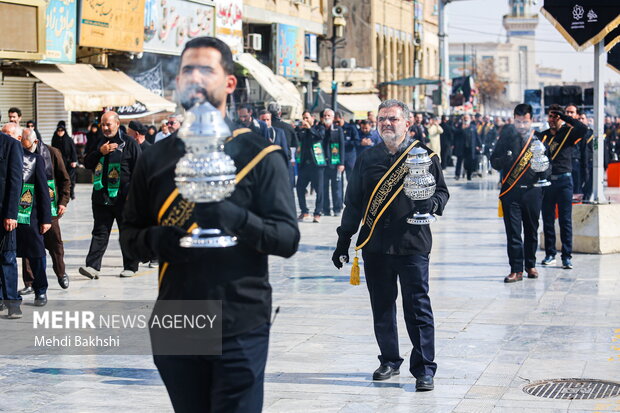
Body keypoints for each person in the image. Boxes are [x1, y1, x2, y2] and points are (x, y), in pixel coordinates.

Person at [120, 36, 299, 413]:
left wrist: (233, 218)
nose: (195, 77)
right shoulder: (155, 158)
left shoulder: (260, 155)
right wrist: (160, 241)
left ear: (229, 83)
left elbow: (286, 239)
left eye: (206, 69)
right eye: (187, 70)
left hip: (240, 318)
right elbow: (130, 238)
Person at [331, 99, 449, 390]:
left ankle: (424, 369)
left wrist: (430, 204)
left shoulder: (424, 156)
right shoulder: (367, 158)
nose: (386, 123)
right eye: (382, 119)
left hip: (413, 243)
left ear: (407, 123)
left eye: (393, 119)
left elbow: (443, 193)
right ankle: (389, 360)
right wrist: (343, 239)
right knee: (382, 306)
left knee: (417, 307)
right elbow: (354, 203)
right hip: (376, 244)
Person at [79, 111, 141, 279]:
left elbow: (140, 171)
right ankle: (92, 267)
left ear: (117, 124)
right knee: (100, 232)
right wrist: (100, 152)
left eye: (108, 124)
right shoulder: (98, 142)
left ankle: (131, 266)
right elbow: (87, 163)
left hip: (123, 198)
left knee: (126, 232)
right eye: (103, 125)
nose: (105, 128)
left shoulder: (129, 143)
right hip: (101, 197)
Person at [491, 104, 548, 283]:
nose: (521, 125)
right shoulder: (507, 138)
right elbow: (493, 161)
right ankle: (516, 269)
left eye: (525, 122)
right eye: (518, 121)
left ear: (531, 120)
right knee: (513, 233)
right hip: (511, 192)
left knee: (531, 231)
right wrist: (504, 160)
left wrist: (543, 170)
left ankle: (530, 265)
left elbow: (548, 163)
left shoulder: (538, 139)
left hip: (532, 191)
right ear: (514, 119)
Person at [3, 124, 51, 306]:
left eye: (8, 134)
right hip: (6, 216)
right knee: (7, 257)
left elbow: (43, 191)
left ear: (18, 138)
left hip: (29, 215)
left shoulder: (34, 159)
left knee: (36, 255)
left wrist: (46, 218)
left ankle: (41, 289)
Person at [19, 126, 71, 294]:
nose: (24, 150)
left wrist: (63, 201)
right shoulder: (19, 155)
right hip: (27, 208)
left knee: (55, 244)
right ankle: (29, 282)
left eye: (27, 147)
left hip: (50, 206)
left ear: (35, 141)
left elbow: (64, 180)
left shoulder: (52, 153)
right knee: (28, 246)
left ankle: (61, 273)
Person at [538, 104, 587, 269]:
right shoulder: (543, 136)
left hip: (565, 181)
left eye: (555, 117)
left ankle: (566, 256)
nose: (552, 120)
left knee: (565, 220)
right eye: (550, 117)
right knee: (548, 219)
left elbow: (582, 128)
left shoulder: (568, 133)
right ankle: (550, 253)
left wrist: (564, 117)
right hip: (548, 182)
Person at [0, 121, 24, 318]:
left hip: (3, 214)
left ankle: (13, 304)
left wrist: (11, 214)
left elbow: (16, 181)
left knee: (7, 257)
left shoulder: (10, 145)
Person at [296, 111, 326, 222]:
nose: (305, 120)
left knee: (319, 190)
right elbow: (297, 138)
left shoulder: (319, 128)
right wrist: (300, 129)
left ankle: (317, 213)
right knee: (299, 188)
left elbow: (320, 137)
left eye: (307, 118)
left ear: (312, 118)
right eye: (303, 118)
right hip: (304, 164)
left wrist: (310, 128)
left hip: (317, 164)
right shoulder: (301, 130)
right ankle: (304, 211)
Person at [318, 108, 345, 217]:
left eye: (329, 115)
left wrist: (342, 163)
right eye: (325, 115)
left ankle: (337, 208)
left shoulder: (338, 130)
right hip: (322, 163)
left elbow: (342, 146)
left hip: (335, 163)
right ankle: (326, 209)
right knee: (323, 187)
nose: (327, 117)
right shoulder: (319, 129)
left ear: (333, 118)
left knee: (336, 188)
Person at [268, 101, 299, 188]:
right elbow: (294, 145)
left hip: (269, 163)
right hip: (286, 161)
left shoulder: (264, 128)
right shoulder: (288, 127)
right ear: (280, 113)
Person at [51, 122, 78, 199]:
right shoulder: (55, 139)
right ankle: (61, 193)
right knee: (60, 178)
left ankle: (71, 193)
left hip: (68, 163)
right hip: (59, 162)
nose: (60, 132)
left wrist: (74, 161)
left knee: (70, 179)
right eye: (58, 131)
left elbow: (73, 150)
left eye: (62, 131)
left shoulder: (68, 139)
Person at [335, 111, 360, 181]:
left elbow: (357, 141)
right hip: (338, 157)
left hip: (349, 156)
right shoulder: (334, 128)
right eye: (335, 122)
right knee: (338, 181)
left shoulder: (351, 128)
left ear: (342, 118)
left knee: (351, 180)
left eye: (338, 121)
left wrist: (344, 143)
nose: (336, 124)